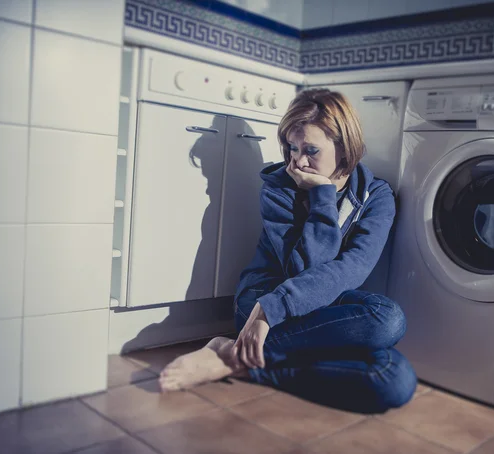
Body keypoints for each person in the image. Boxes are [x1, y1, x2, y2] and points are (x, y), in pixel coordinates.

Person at [158, 88, 417, 413]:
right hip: (261, 304)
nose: (298, 161)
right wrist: (323, 197)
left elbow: (354, 268)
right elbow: (302, 270)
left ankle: (233, 360)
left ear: (344, 145)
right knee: (388, 321)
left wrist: (323, 192)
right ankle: (251, 351)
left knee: (394, 378)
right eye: (292, 148)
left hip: (317, 309)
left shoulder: (377, 196)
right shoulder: (279, 189)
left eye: (311, 150)